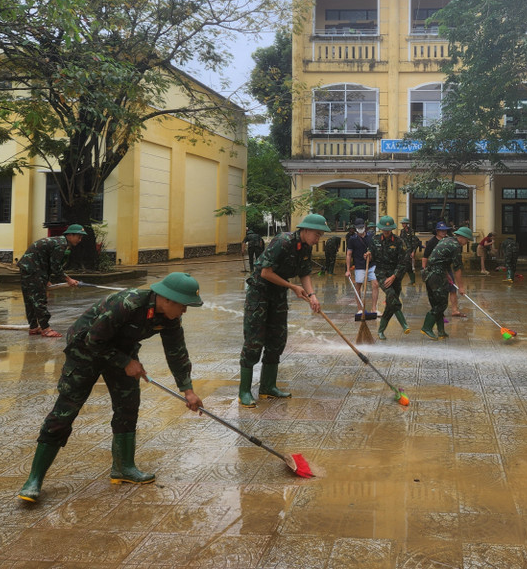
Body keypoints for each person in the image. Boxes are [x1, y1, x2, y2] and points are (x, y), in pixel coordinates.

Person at [16, 272, 205, 502]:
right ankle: (34, 480)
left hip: (121, 349)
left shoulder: (170, 318)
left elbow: (177, 352)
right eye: (184, 306)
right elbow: (94, 340)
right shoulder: (128, 303)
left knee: (128, 405)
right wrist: (126, 362)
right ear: (167, 299)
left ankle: (124, 468)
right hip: (85, 348)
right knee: (66, 410)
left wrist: (188, 390)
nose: (185, 311)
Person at [239, 214, 329, 407]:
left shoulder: (305, 248)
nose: (318, 238)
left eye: (320, 235)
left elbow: (304, 272)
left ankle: (267, 387)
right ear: (305, 230)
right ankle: (244, 391)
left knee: (277, 339)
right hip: (260, 294)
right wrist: (292, 287)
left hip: (278, 295)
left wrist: (312, 295)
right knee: (254, 342)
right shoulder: (283, 241)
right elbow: (265, 272)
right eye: (317, 234)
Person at [17, 224, 87, 338]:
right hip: (34, 269)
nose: (80, 240)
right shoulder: (61, 245)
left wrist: (46, 279)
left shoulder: (58, 242)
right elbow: (56, 267)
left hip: (28, 267)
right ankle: (46, 329)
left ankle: (34, 327)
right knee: (39, 299)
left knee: (30, 299)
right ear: (70, 235)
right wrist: (69, 279)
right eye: (78, 236)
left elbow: (47, 262)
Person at [420, 226, 472, 339]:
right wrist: (461, 287)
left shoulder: (446, 240)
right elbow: (457, 269)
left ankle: (441, 331)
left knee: (437, 302)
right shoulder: (456, 247)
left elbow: (440, 259)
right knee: (441, 304)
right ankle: (427, 327)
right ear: (462, 237)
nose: (466, 242)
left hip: (429, 274)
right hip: (437, 276)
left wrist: (447, 275)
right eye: (467, 240)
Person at [367, 216, 410, 339]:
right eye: (384, 229)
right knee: (391, 295)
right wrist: (368, 255)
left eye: (389, 229)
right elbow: (372, 255)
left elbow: (403, 262)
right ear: (380, 229)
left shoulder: (399, 241)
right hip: (381, 273)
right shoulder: (375, 240)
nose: (386, 231)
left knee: (391, 304)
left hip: (395, 274)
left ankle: (381, 330)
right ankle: (404, 325)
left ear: (392, 229)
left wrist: (394, 276)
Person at [423, 221, 465, 316]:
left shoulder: (447, 240)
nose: (443, 232)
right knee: (439, 296)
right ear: (437, 231)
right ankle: (435, 320)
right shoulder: (433, 242)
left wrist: (447, 274)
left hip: (445, 268)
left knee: (452, 288)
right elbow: (425, 257)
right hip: (435, 271)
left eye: (445, 230)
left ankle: (454, 310)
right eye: (441, 230)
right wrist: (424, 269)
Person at [346, 218, 379, 314]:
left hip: (371, 265)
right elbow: (348, 254)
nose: (360, 228)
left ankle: (374, 308)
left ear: (364, 226)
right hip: (359, 266)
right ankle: (360, 309)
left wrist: (370, 254)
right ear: (356, 228)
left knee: (375, 284)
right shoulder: (352, 239)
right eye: (358, 227)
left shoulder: (370, 237)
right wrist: (348, 270)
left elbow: (375, 250)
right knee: (358, 286)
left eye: (362, 226)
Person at [399, 218, 422, 284]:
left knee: (407, 264)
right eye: (402, 223)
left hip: (410, 249)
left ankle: (412, 280)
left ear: (407, 224)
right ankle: (411, 280)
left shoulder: (411, 231)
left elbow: (414, 242)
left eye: (404, 223)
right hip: (404, 250)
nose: (403, 225)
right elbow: (401, 240)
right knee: (405, 264)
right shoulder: (402, 231)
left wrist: (413, 251)